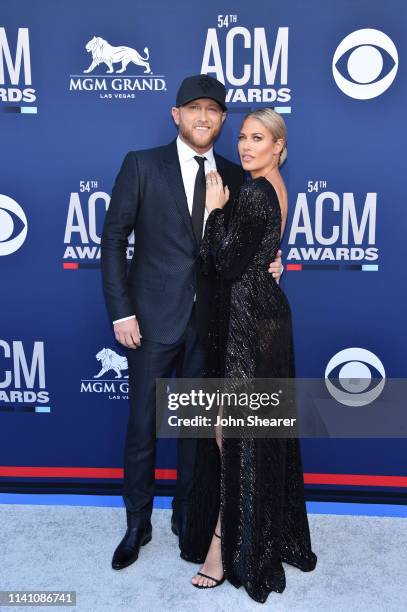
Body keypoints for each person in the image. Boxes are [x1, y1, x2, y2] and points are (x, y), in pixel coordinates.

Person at [100, 75, 283, 571]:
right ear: (175, 114)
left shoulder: (234, 170)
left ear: (223, 120)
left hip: (211, 325)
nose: (204, 117)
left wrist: (274, 260)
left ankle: (189, 518)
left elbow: (245, 240)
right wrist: (122, 311)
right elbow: (113, 241)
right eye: (193, 108)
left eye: (213, 110)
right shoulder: (141, 165)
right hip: (151, 323)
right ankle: (137, 523)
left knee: (197, 432)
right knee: (143, 427)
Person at [179, 108, 317, 603]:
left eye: (257, 138)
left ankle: (226, 545)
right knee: (246, 433)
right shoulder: (276, 186)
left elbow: (225, 261)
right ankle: (259, 532)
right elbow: (259, 256)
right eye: (241, 137)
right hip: (264, 316)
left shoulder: (255, 191)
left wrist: (216, 209)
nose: (245, 146)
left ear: (279, 146)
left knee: (233, 436)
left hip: (247, 323)